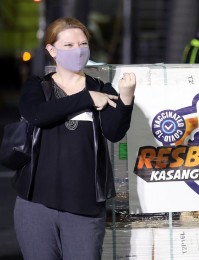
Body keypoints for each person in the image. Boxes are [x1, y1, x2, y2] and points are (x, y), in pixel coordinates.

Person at [13, 17, 136, 259]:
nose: (78, 50)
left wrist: (126, 99)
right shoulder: (37, 87)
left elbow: (114, 132)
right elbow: (37, 115)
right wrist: (87, 99)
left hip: (84, 208)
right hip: (36, 205)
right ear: (52, 50)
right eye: (68, 45)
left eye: (82, 44)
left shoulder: (103, 89)